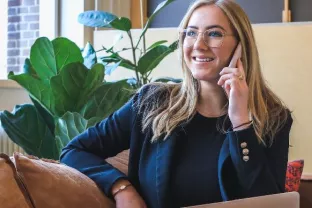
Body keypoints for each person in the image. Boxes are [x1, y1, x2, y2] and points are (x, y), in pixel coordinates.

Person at [60, 0, 293, 208]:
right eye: (191, 33)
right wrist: (122, 188)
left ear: (241, 46)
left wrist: (241, 124)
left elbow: (268, 201)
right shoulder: (151, 103)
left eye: (214, 34)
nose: (198, 44)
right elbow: (74, 151)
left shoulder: (273, 118)